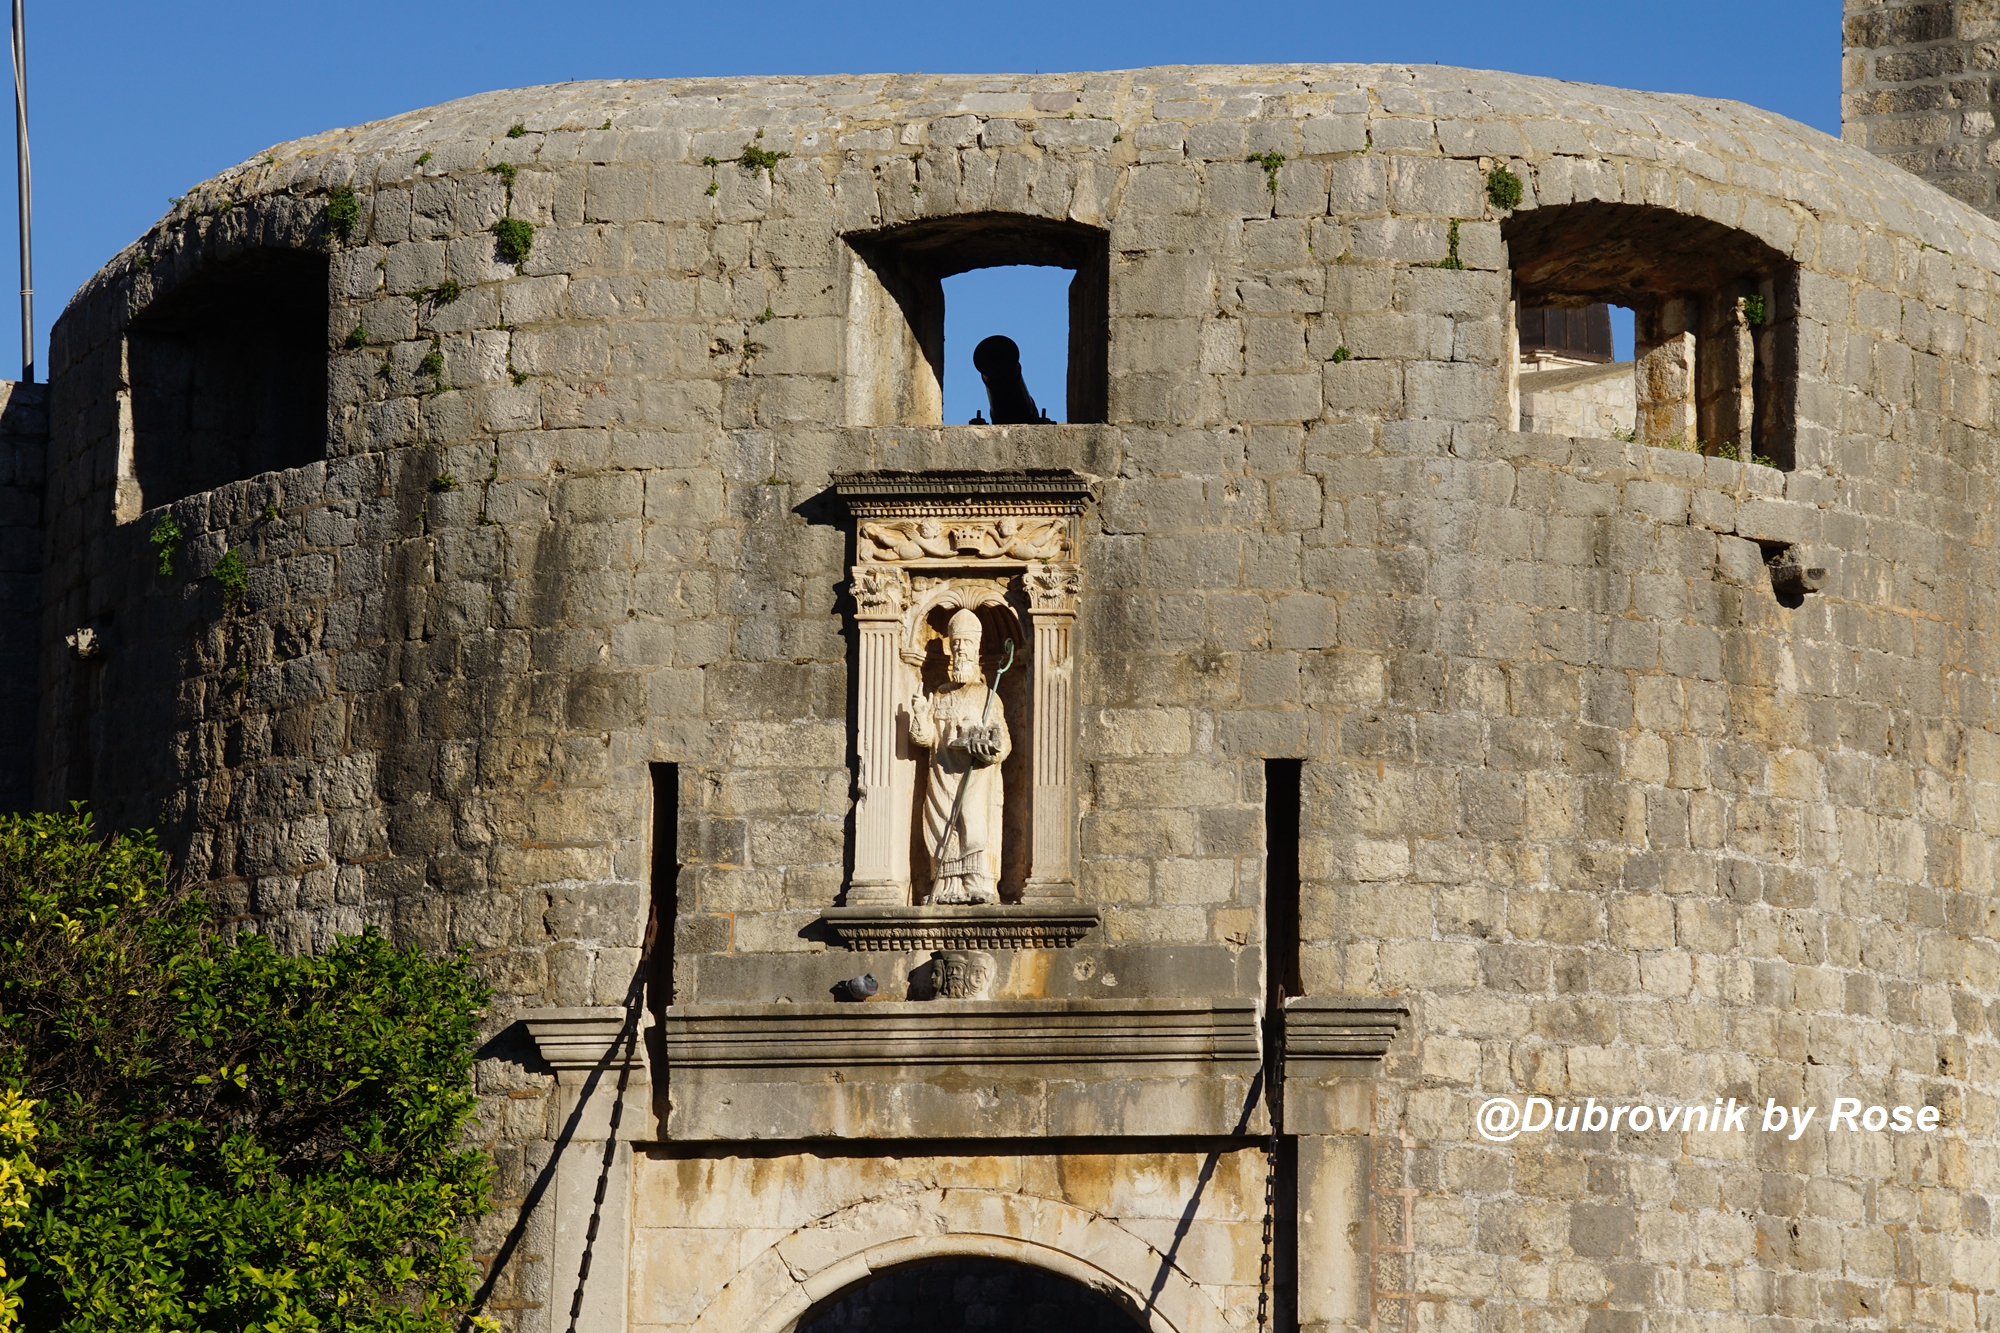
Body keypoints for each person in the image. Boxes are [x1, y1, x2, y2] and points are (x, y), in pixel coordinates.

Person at [907, 608, 1011, 903]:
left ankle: (978, 884)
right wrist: (920, 714)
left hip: (976, 779)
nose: (960, 650)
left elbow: (1003, 743)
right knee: (943, 828)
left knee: (974, 825)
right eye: (955, 645)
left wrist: (988, 750)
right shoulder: (938, 695)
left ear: (977, 650)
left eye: (966, 645)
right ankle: (946, 888)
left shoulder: (988, 696)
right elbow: (924, 739)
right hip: (941, 776)